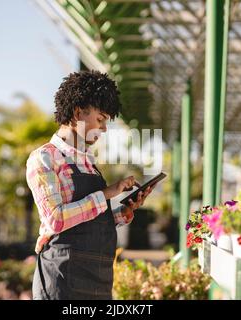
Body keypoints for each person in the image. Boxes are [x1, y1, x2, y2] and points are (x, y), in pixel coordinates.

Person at [26, 70, 156, 300]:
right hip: (61, 280)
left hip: (98, 281)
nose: (104, 129)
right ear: (77, 113)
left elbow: (86, 222)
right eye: (100, 120)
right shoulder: (44, 158)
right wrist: (107, 192)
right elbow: (56, 219)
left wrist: (122, 213)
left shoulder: (88, 163)